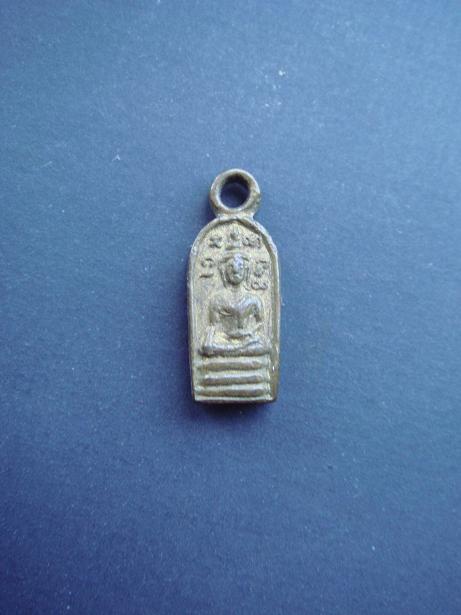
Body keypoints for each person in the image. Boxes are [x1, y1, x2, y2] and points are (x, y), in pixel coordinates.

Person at [200, 252, 268, 357]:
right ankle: (238, 350)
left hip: (248, 339)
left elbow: (261, 322)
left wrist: (249, 332)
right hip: (225, 339)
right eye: (231, 267)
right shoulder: (217, 299)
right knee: (208, 346)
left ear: (246, 271)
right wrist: (225, 336)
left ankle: (233, 351)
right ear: (224, 272)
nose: (235, 270)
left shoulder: (254, 299)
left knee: (264, 345)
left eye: (240, 266)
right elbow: (214, 326)